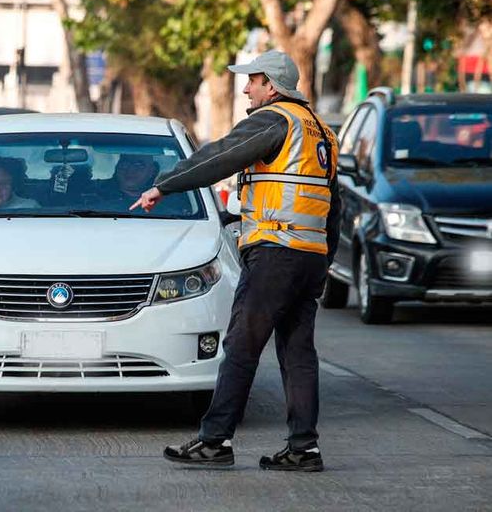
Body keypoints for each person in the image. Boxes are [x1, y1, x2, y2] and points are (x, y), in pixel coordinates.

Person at [131, 50, 341, 472]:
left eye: (253, 81)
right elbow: (334, 207)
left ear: (272, 85)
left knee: (241, 345)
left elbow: (220, 155)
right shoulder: (321, 132)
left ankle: (215, 440)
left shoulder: (275, 120)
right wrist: (323, 261)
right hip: (309, 257)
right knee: (298, 353)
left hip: (276, 252)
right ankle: (304, 448)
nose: (246, 88)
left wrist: (164, 185)